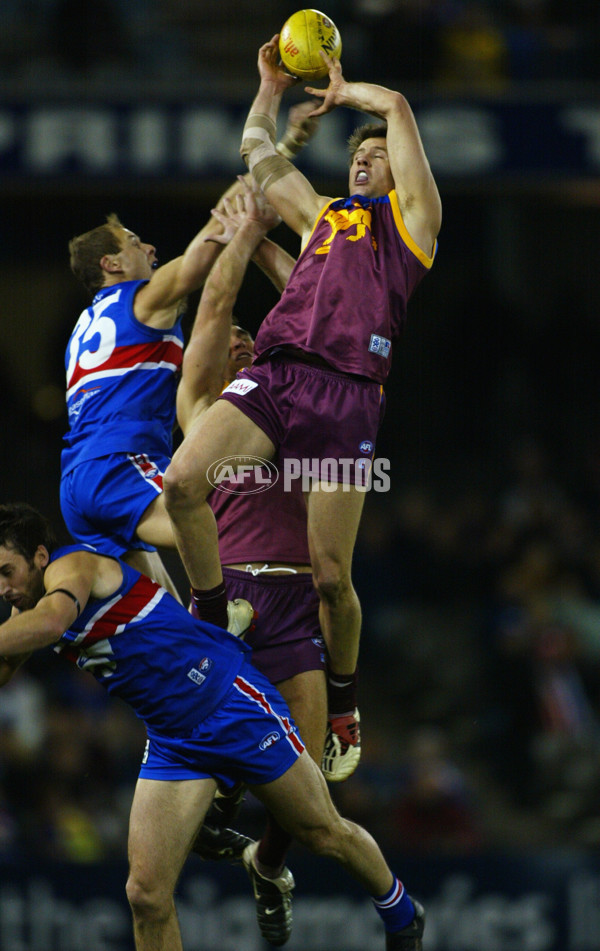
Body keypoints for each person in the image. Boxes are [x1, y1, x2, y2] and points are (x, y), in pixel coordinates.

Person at [163, 38, 442, 778]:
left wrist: (352, 94)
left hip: (348, 397)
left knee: (329, 578)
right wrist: (266, 88)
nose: (365, 160)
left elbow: (400, 105)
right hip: (280, 376)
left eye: (378, 156)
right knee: (185, 481)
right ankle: (216, 613)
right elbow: (258, 150)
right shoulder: (322, 217)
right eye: (360, 155)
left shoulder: (411, 230)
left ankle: (344, 703)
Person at [0, 501, 425, 951]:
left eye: (8, 571)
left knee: (320, 832)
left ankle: (401, 915)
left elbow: (51, 623)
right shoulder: (21, 615)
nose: (3, 588)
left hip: (229, 702)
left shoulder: (75, 566)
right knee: (145, 895)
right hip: (173, 741)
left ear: (41, 557)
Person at [59, 101, 317, 628]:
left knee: (171, 629)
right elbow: (215, 234)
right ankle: (231, 618)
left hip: (78, 483)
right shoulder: (143, 300)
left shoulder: (83, 329)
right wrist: (282, 148)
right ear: (110, 264)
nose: (150, 247)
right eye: (134, 243)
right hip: (121, 467)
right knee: (233, 522)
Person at [174, 179, 328, 945]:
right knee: (200, 746)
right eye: (230, 339)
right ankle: (213, 800)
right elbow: (209, 314)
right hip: (225, 593)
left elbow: (317, 307)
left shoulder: (288, 402)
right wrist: (238, 239)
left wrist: (271, 241)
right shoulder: (205, 410)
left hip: (297, 596)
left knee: (310, 789)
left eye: (250, 337)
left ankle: (267, 863)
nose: (239, 341)